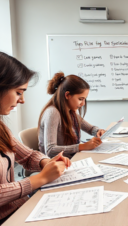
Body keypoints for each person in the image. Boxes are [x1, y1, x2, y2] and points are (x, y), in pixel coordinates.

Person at [0, 52, 71, 224]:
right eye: (18, 92)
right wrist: (40, 178)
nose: (22, 100)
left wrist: (46, 163)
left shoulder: (1, 128)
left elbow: (29, 155)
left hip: (19, 207)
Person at [38, 72, 106, 159]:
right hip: (54, 163)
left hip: (70, 159)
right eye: (80, 99)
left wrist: (98, 131)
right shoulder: (52, 113)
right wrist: (82, 146)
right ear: (67, 95)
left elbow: (90, 129)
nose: (83, 103)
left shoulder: (70, 112)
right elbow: (50, 150)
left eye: (84, 99)